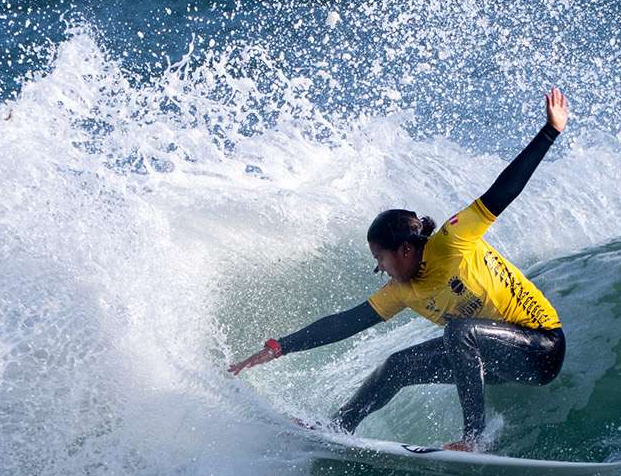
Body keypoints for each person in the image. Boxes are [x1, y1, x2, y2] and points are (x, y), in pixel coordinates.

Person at [228, 88, 570, 451]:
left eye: (380, 257)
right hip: (495, 360)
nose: (378, 267)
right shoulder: (403, 289)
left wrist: (549, 132)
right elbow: (345, 323)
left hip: (540, 348)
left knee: (458, 331)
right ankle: (340, 426)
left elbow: (503, 191)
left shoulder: (452, 241)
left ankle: (474, 439)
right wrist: (280, 347)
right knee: (396, 366)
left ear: (405, 250)